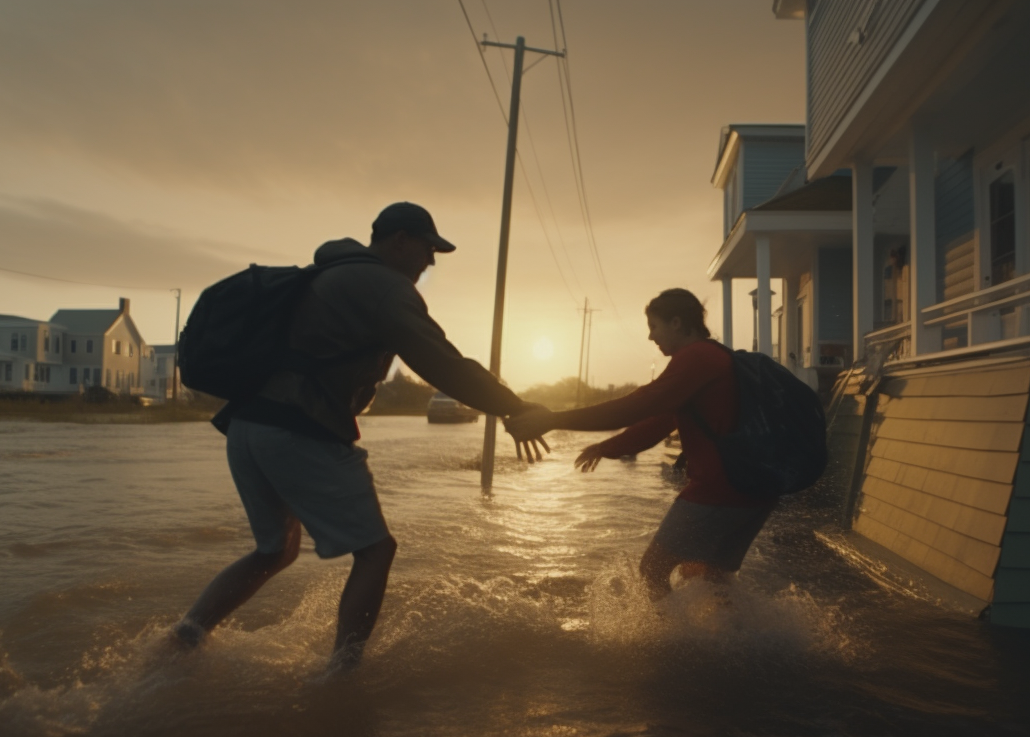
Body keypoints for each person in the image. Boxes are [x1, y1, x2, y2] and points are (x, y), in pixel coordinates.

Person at [171, 202, 545, 671]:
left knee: (275, 550)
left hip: (248, 427)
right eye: (429, 249)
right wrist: (514, 406)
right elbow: (443, 365)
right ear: (400, 241)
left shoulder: (328, 273)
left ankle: (183, 639)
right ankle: (342, 677)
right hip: (297, 429)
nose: (431, 262)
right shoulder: (383, 288)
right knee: (376, 551)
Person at [504, 288, 776, 599]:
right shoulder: (714, 357)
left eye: (654, 327)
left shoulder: (696, 358)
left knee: (653, 570)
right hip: (755, 491)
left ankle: (666, 644)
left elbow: (640, 404)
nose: (650, 337)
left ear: (676, 323)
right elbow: (659, 422)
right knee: (710, 578)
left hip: (718, 490)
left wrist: (552, 419)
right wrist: (608, 447)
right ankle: (745, 641)